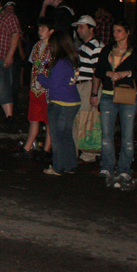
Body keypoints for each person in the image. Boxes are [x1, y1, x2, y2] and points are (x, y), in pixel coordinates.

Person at [91, 20, 137, 191]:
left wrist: (125, 73)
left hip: (127, 96)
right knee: (106, 134)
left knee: (127, 135)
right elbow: (98, 70)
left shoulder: (135, 51)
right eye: (114, 31)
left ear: (127, 32)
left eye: (119, 31)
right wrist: (108, 73)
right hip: (107, 96)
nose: (116, 34)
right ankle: (107, 167)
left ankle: (124, 170)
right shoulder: (108, 50)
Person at [38, 31, 81, 176]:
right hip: (72, 101)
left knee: (57, 136)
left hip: (61, 102)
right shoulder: (70, 60)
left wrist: (40, 77)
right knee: (66, 135)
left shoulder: (61, 61)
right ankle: (70, 165)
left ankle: (57, 167)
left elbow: (52, 83)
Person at [13, 18, 54, 159]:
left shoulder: (54, 47)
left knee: (48, 120)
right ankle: (28, 147)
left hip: (47, 90)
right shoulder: (37, 46)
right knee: (33, 118)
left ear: (51, 31)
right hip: (35, 88)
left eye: (44, 29)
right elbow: (33, 64)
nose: (40, 32)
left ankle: (47, 149)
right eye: (39, 29)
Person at [72, 15, 103, 163]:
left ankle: (88, 154)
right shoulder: (84, 46)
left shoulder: (96, 46)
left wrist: (94, 93)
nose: (79, 30)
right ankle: (78, 151)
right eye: (78, 27)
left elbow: (97, 70)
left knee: (86, 118)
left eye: (82, 26)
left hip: (88, 84)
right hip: (81, 84)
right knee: (79, 118)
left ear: (91, 28)